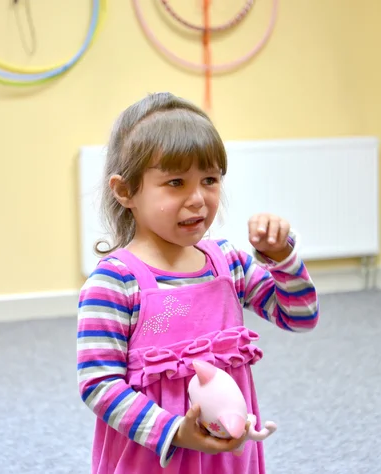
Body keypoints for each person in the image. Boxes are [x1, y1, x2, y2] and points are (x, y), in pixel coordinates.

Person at [76, 92, 320, 474]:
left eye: (209, 179)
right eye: (175, 182)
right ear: (126, 191)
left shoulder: (229, 264)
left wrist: (281, 259)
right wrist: (173, 431)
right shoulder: (115, 282)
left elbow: (300, 316)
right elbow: (98, 383)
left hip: (227, 457)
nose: (198, 199)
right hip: (153, 457)